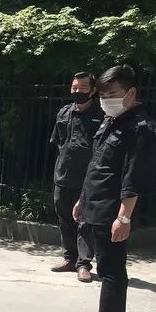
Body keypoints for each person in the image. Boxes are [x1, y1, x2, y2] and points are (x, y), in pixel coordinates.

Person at [65, 65, 156, 312]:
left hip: (112, 209)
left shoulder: (140, 127)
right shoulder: (113, 121)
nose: (107, 100)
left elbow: (133, 176)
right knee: (112, 267)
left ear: (131, 93)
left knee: (110, 269)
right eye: (103, 95)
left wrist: (124, 217)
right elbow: (98, 165)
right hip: (96, 203)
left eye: (113, 94)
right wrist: (83, 199)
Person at [49, 72, 102, 282]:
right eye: (74, 88)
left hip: (87, 178)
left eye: (83, 88)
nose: (77, 91)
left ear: (93, 90)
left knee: (85, 221)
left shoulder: (101, 116)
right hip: (63, 175)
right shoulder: (64, 112)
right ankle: (69, 258)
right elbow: (58, 142)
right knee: (64, 219)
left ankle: (84, 264)